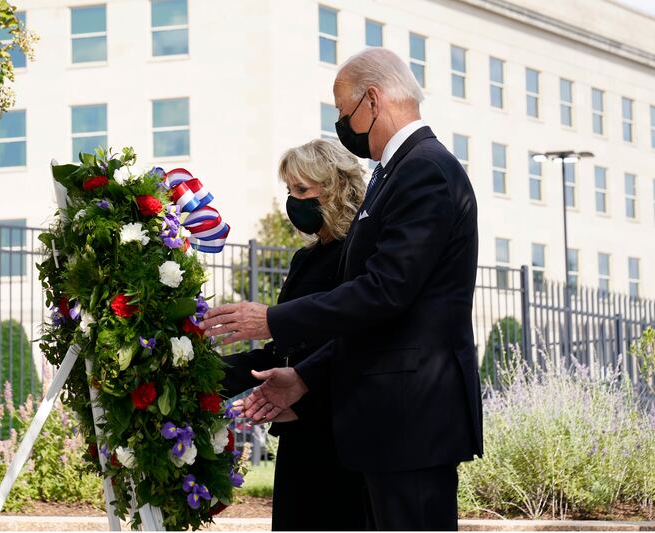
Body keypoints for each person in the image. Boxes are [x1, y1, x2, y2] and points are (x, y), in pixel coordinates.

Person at [201, 47, 483, 531]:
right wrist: (304, 376)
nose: (342, 124)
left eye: (343, 111)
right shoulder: (396, 174)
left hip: (410, 419)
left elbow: (384, 292)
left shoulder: (425, 169)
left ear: (372, 100)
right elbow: (375, 316)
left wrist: (271, 318)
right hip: (387, 423)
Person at [220, 139, 366, 531]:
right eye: (289, 191)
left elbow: (358, 342)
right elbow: (280, 352)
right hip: (299, 436)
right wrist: (205, 372)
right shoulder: (305, 259)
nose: (294, 201)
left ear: (336, 187)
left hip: (342, 436)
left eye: (303, 190)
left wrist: (304, 392)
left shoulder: (361, 253)